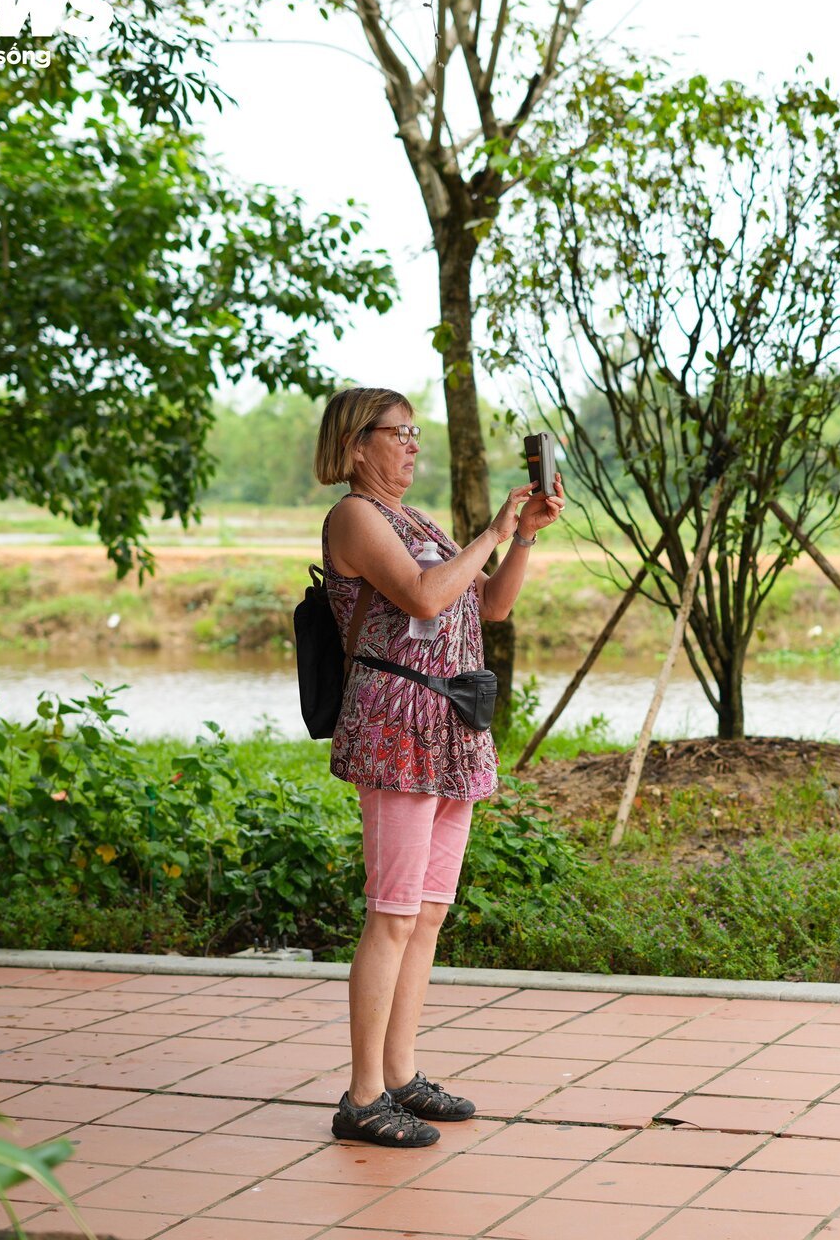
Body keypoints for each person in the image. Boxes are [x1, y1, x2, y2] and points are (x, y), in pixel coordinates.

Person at [313, 386, 564, 1147]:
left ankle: (400, 1073)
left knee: (427, 912)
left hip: (452, 724)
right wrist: (490, 527)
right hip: (396, 727)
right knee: (392, 913)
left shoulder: (416, 519)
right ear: (359, 446)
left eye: (416, 432)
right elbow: (424, 595)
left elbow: (488, 608)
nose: (414, 444)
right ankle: (361, 1098)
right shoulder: (355, 517)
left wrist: (520, 536)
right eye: (400, 433)